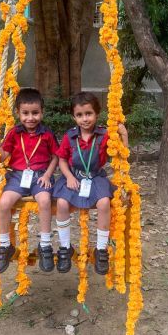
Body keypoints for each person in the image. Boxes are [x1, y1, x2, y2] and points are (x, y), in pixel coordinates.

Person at [53, 91, 128, 275]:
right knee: (61, 203)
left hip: (95, 177)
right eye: (79, 115)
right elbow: (62, 159)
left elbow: (122, 154)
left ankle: (101, 250)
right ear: (74, 117)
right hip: (74, 177)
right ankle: (65, 248)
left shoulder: (104, 135)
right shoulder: (70, 136)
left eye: (88, 114)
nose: (84, 119)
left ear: (96, 114)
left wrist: (124, 135)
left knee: (104, 203)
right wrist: (69, 177)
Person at [0, 88, 58, 274]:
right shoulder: (14, 133)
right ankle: (5, 245)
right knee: (3, 203)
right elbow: (3, 155)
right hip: (17, 176)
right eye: (25, 113)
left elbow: (56, 156)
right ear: (18, 113)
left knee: (44, 201)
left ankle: (45, 245)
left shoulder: (46, 134)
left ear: (42, 112)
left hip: (40, 176)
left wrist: (47, 175)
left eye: (35, 113)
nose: (30, 118)